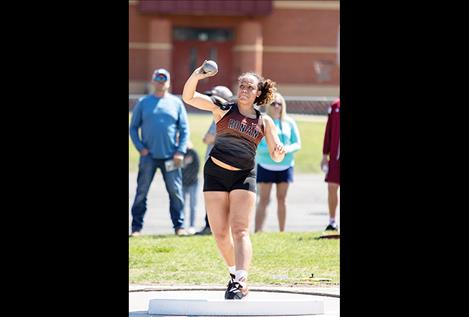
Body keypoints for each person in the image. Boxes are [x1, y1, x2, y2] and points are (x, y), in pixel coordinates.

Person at [182, 61, 286, 300]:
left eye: (250, 87)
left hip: (243, 176)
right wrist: (198, 74)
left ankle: (241, 280)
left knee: (239, 230)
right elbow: (189, 97)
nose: (244, 90)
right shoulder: (223, 107)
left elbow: (275, 155)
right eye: (242, 86)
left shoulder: (264, 121)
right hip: (215, 173)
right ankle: (233, 273)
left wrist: (279, 149)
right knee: (219, 233)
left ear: (258, 92)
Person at [129, 68, 189, 237]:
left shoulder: (176, 103)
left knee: (175, 192)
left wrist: (180, 151)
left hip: (171, 156)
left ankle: (179, 226)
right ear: (153, 81)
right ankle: (136, 228)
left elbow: (184, 130)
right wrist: (141, 148)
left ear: (168, 83)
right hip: (148, 157)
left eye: (164, 80)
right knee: (141, 192)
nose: (161, 82)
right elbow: (133, 128)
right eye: (158, 79)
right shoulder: (143, 102)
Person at [254, 92, 301, 233]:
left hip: (285, 165)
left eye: (279, 103)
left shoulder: (289, 122)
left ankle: (282, 232)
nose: (276, 106)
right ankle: (258, 231)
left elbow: (297, 143)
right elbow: (257, 145)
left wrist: (285, 149)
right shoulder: (263, 121)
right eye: (273, 103)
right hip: (265, 165)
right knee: (264, 199)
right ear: (268, 105)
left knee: (282, 199)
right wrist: (273, 150)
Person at [196, 86, 234, 236]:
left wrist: (218, 138)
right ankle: (210, 226)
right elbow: (207, 138)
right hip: (213, 165)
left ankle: (215, 228)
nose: (210, 100)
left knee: (220, 198)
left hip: (222, 165)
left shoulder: (225, 115)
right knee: (213, 197)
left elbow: (209, 138)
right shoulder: (216, 115)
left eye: (213, 97)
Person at [321, 98, 340, 232]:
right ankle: (332, 222)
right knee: (332, 187)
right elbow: (328, 131)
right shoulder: (335, 106)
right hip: (335, 158)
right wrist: (324, 155)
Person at [181, 141, 200, 235]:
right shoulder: (178, 153)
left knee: (193, 205)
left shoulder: (193, 153)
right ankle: (182, 226)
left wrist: (190, 179)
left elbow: (197, 167)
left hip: (193, 183)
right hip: (182, 183)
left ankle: (192, 226)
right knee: (182, 205)